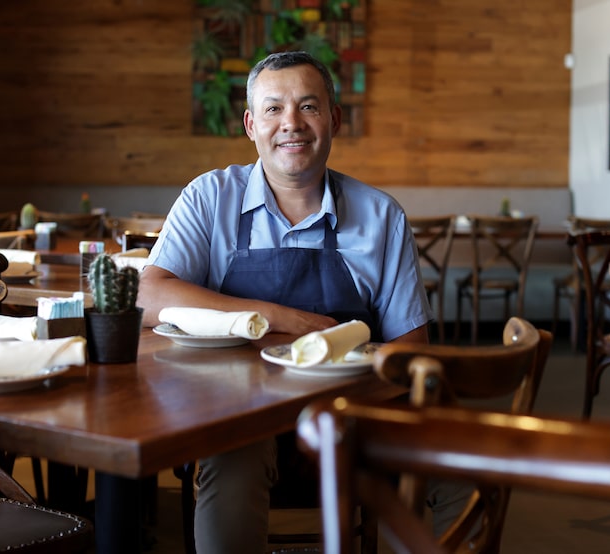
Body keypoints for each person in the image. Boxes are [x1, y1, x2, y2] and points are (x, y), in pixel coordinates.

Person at [139, 51, 433, 553]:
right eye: (273, 109)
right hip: (233, 412)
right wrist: (281, 319)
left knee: (464, 458)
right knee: (232, 461)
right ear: (251, 125)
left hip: (347, 413)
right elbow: (149, 294)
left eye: (309, 107)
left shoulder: (382, 216)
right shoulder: (209, 198)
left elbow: (412, 347)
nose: (291, 123)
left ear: (334, 119)